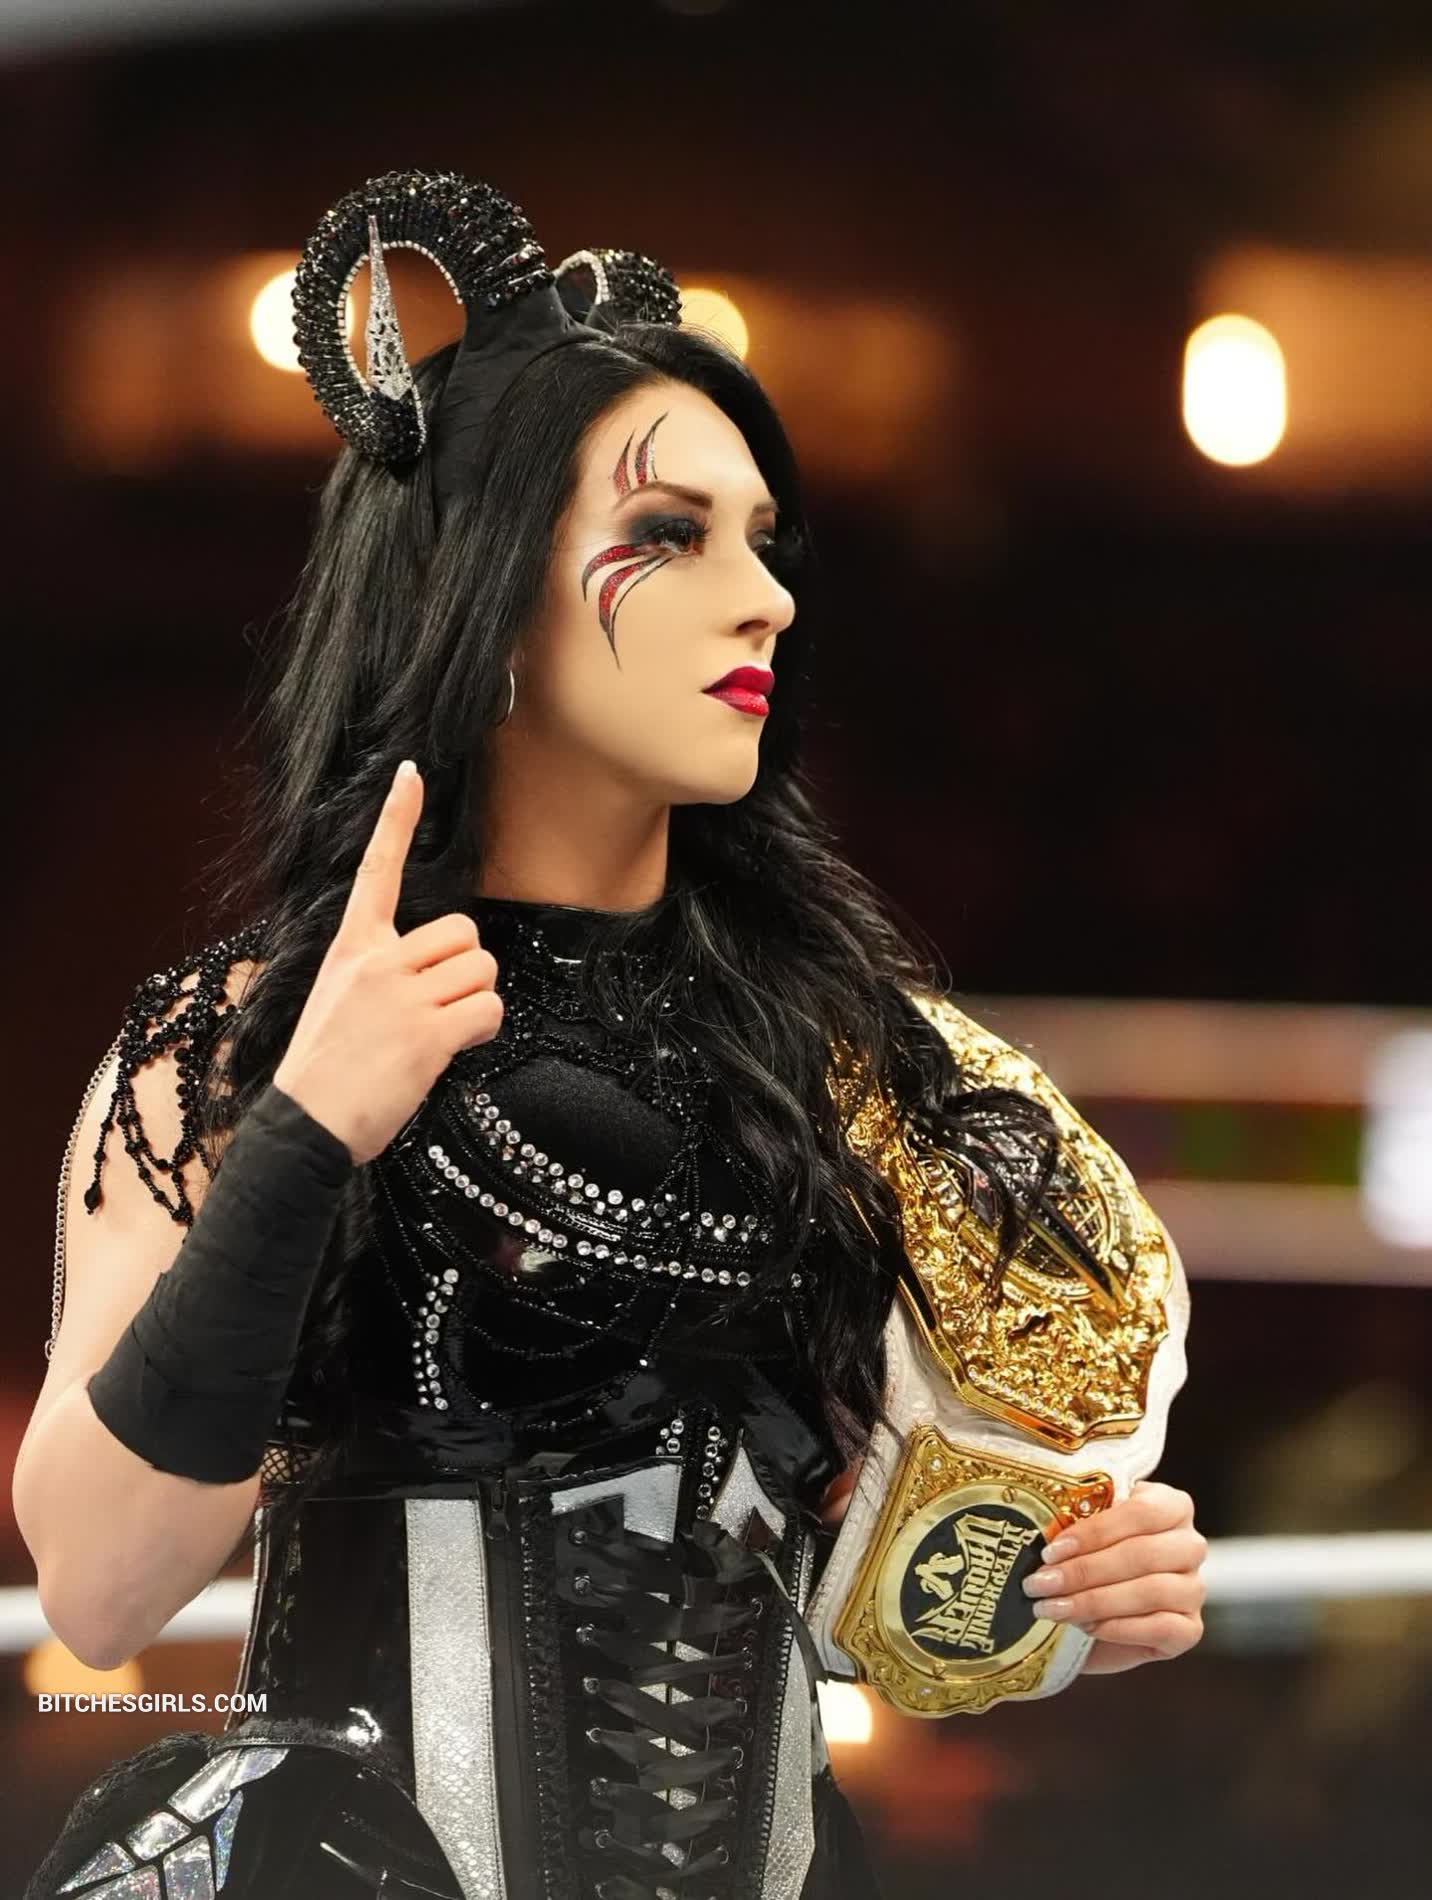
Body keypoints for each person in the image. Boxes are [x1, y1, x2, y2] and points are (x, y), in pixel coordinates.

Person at [14, 170, 1205, 1900]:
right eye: (671, 530)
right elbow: (102, 1586)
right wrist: (305, 1132)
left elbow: (863, 1585)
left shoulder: (836, 1056)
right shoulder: (242, 1038)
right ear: (484, 585)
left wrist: (1073, 1584)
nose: (764, 596)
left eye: (764, 538)